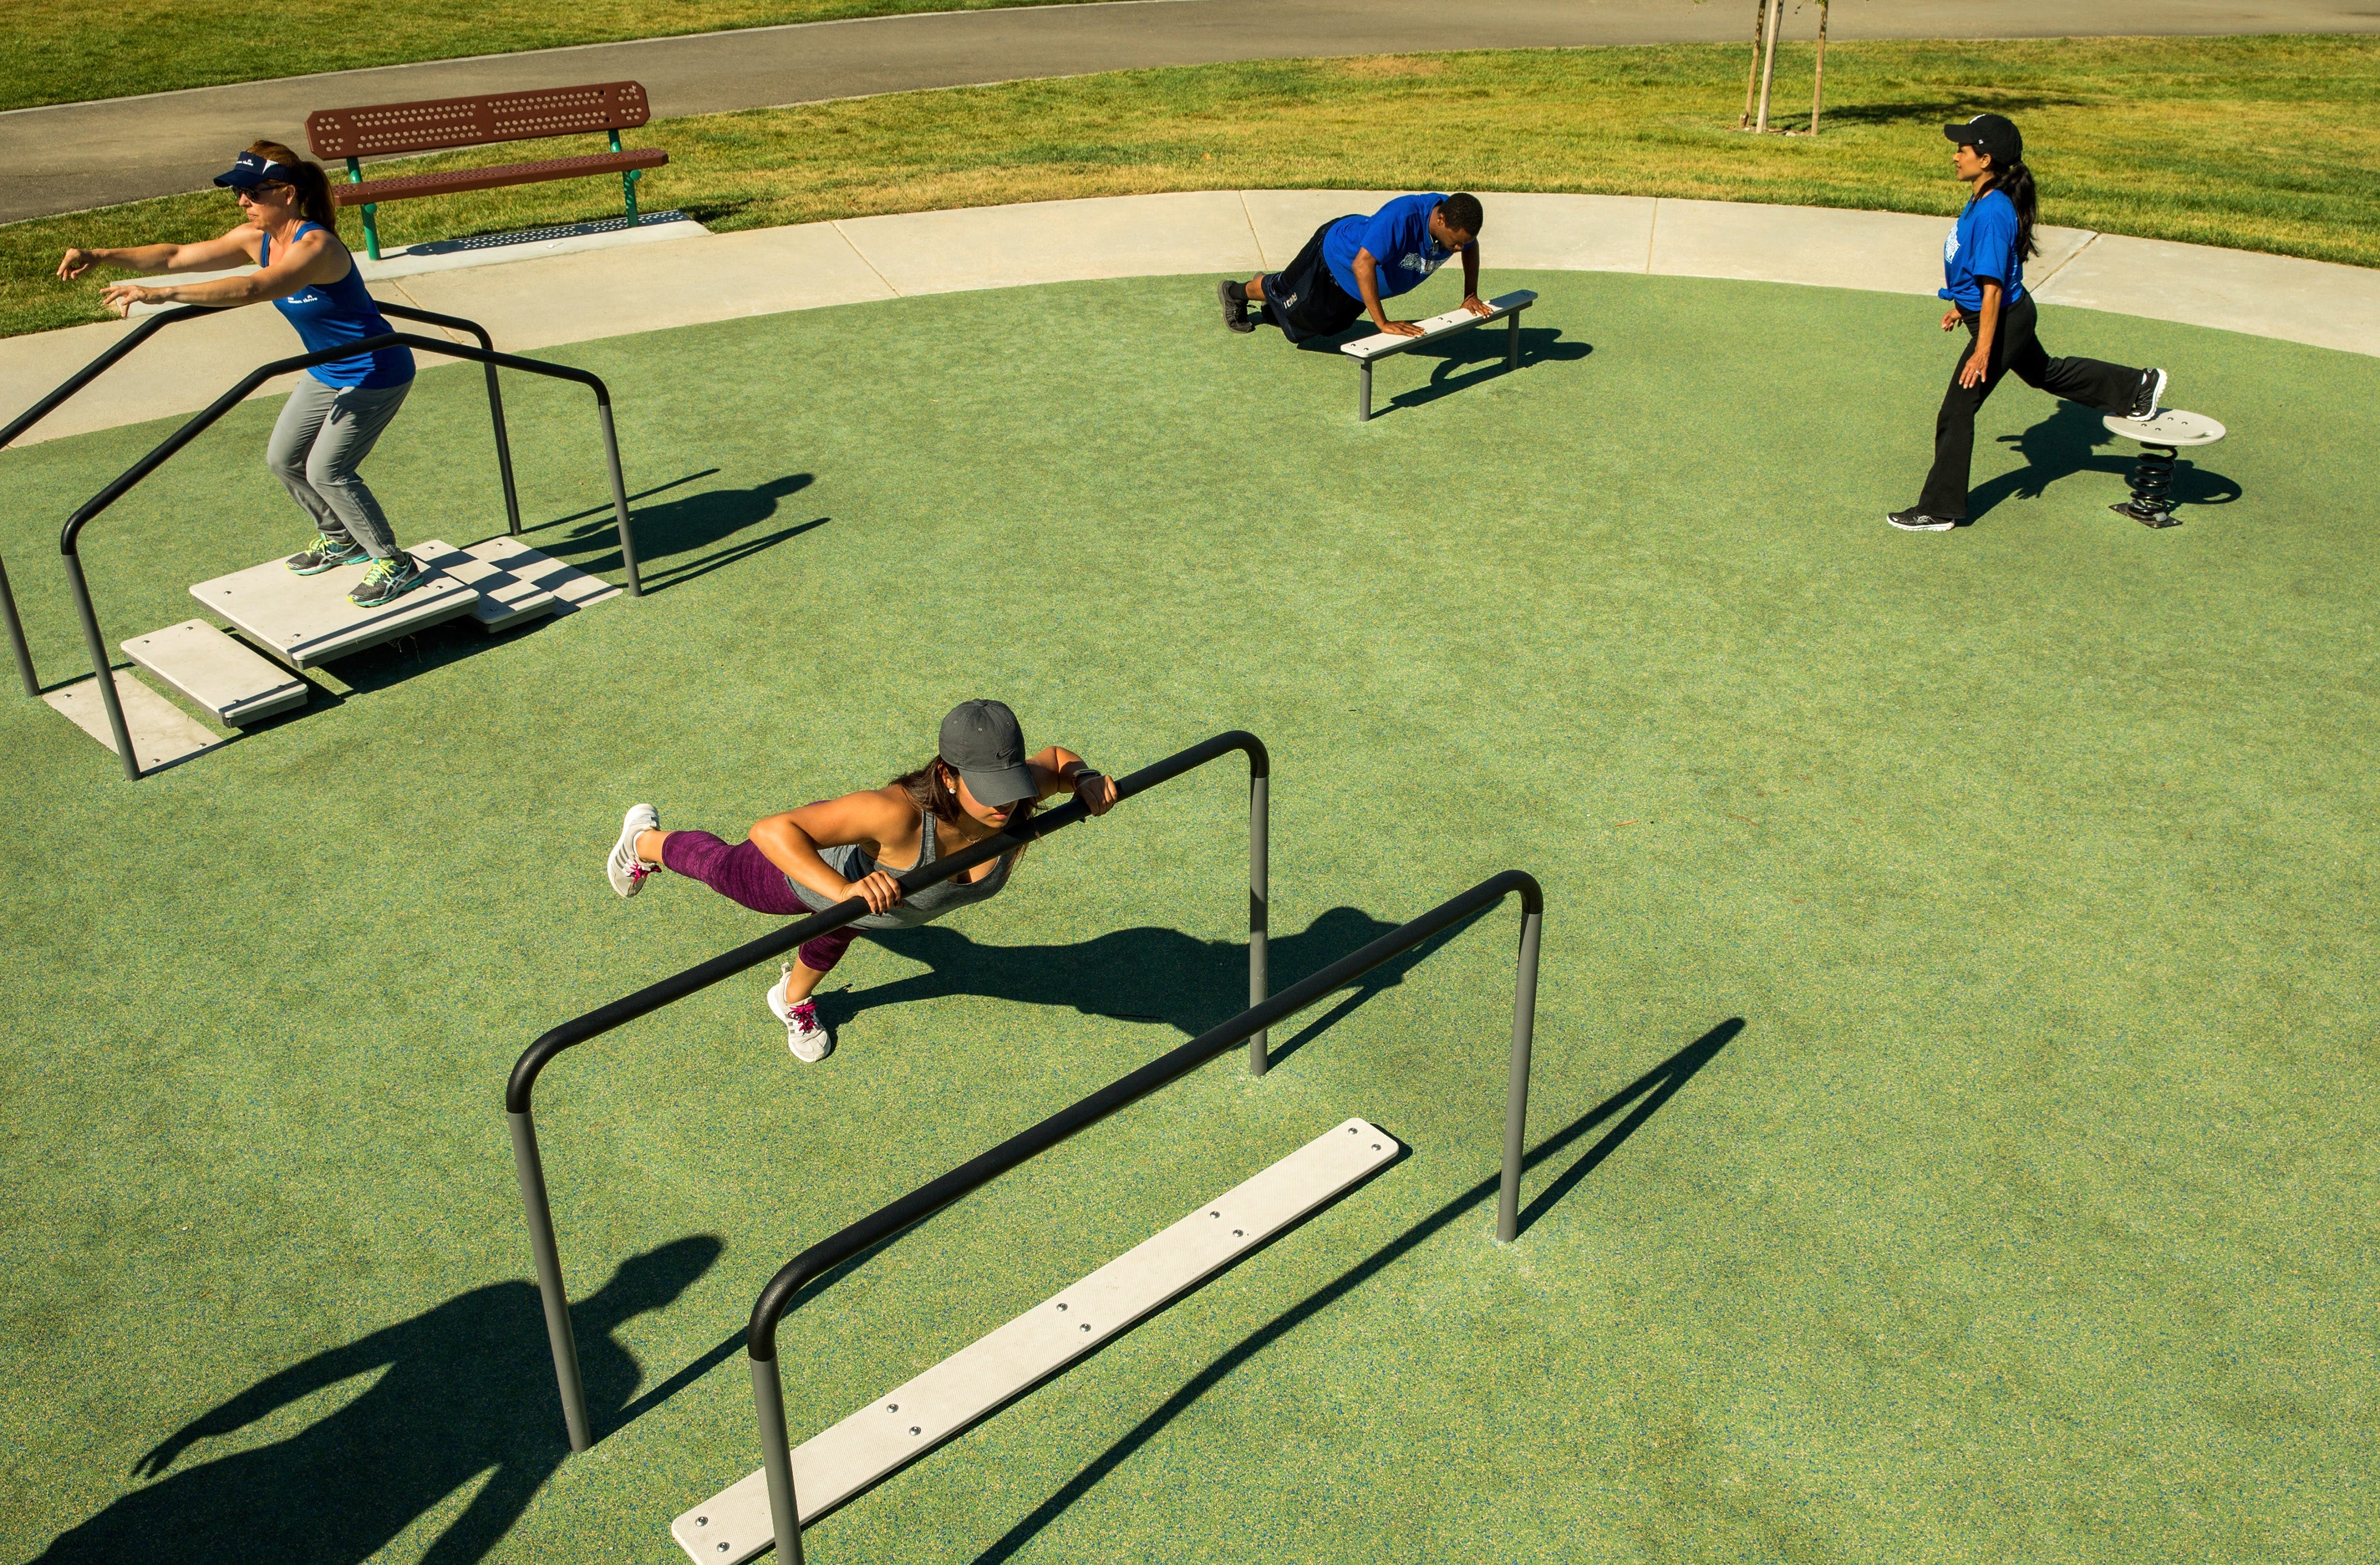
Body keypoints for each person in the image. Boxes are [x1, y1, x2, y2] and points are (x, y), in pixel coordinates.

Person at [602, 700, 1120, 1062]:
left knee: (838, 935)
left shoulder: (1018, 791)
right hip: (811, 877)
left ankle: (791, 998)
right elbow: (771, 831)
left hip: (878, 910)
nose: (1006, 805)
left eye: (1010, 785)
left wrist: (1085, 778)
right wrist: (844, 891)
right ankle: (643, 842)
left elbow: (1055, 760)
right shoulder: (896, 815)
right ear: (947, 776)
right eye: (988, 789)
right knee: (723, 870)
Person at [56, 143, 426, 608]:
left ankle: (393, 561)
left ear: (287, 193)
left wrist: (164, 294)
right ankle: (339, 538)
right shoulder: (259, 239)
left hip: (375, 370)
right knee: (283, 459)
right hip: (326, 369)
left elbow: (257, 287)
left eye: (253, 191)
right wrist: (100, 253)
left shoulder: (316, 247)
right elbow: (174, 255)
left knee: (327, 470)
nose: (242, 201)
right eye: (239, 192)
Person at [1889, 114, 2169, 533]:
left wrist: (1983, 349)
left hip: (2001, 319)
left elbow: (1994, 287)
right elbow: (1984, 271)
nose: (1955, 156)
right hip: (1996, 315)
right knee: (2045, 373)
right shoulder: (1984, 197)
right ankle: (2136, 387)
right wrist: (1959, 305)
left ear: (1985, 159)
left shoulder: (1994, 212)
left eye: (1962, 150)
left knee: (1957, 410)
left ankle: (1940, 509)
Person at [1219, 192, 1489, 342]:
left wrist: (1470, 295)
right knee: (1281, 292)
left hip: (1356, 286)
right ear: (1440, 220)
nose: (1458, 249)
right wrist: (1382, 323)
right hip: (1332, 259)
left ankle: (1283, 304)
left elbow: (1471, 246)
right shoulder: (1402, 217)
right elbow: (1362, 264)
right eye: (1456, 243)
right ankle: (1234, 292)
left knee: (1325, 329)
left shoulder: (1457, 226)